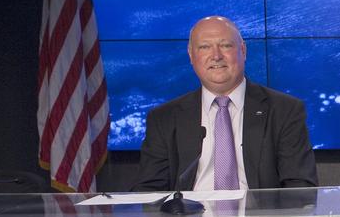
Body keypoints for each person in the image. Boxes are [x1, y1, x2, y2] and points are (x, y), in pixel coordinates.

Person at [134, 16, 317, 191]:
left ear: (243, 51)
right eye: (204, 47)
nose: (216, 56)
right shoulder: (164, 118)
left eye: (225, 45)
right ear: (191, 56)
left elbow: (300, 187)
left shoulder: (285, 110)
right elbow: (148, 191)